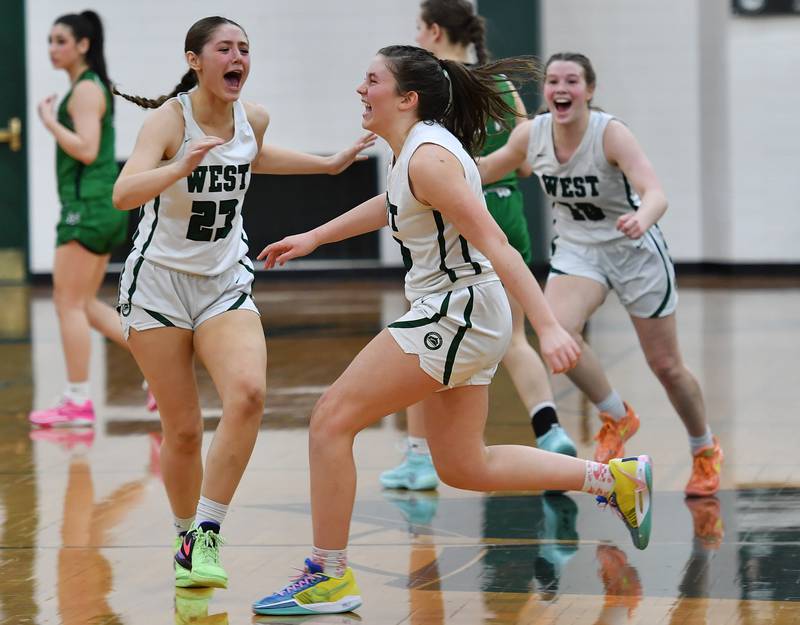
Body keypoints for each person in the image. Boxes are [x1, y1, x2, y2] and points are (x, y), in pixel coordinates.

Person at [251, 45, 653, 616]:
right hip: (462, 310)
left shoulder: (430, 157)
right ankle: (613, 481)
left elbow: (498, 245)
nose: (360, 90)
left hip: (455, 309)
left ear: (406, 98)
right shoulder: (417, 151)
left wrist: (546, 327)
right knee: (465, 466)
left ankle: (328, 574)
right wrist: (314, 237)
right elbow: (391, 204)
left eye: (371, 81)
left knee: (329, 422)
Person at [111, 15, 375, 591]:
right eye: (225, 49)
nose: (238, 58)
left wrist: (329, 164)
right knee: (181, 430)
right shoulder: (166, 121)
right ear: (195, 61)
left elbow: (254, 154)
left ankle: (207, 530)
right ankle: (186, 538)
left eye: (245, 49)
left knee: (250, 394)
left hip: (223, 282)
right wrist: (178, 165)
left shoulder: (250, 117)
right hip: (156, 287)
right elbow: (123, 192)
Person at [477, 52, 723, 497]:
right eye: (553, 81)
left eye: (571, 81)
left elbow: (655, 193)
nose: (560, 89)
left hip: (634, 250)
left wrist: (643, 217)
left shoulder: (609, 134)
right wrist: (431, 169)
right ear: (546, 91)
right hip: (578, 252)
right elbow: (483, 171)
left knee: (666, 366)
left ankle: (704, 448)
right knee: (558, 336)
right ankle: (616, 415)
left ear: (589, 91)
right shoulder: (530, 135)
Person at [379, 0, 576, 493]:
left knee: (414, 335)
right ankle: (550, 429)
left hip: (453, 220)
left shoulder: (432, 88)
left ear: (435, 31)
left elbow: (424, 168)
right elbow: (528, 163)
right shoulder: (500, 84)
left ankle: (420, 457)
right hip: (507, 210)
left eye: (420, 29)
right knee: (516, 340)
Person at [29, 11, 156, 428]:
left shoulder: (85, 90)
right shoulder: (89, 87)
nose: (53, 48)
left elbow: (86, 149)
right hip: (99, 205)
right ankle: (159, 367)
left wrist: (49, 123)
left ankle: (77, 402)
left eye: (61, 40)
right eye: (49, 40)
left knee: (67, 304)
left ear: (83, 45)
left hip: (86, 207)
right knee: (82, 304)